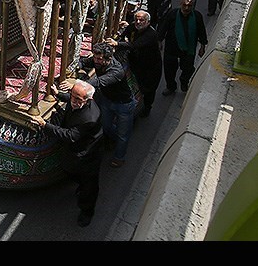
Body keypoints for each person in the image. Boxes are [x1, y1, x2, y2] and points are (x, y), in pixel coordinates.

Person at [31, 79, 103, 227]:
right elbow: (71, 99)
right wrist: (59, 94)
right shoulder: (77, 101)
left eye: (78, 98)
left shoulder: (89, 117)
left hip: (87, 156)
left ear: (88, 99)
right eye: (72, 96)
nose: (73, 100)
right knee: (72, 171)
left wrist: (45, 125)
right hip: (75, 153)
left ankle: (87, 212)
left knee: (89, 187)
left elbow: (70, 135)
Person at [75, 41, 134, 169]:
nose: (96, 61)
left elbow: (98, 82)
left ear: (108, 58)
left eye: (99, 59)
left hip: (123, 105)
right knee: (106, 126)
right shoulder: (97, 61)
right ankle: (114, 140)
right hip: (108, 101)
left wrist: (77, 84)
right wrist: (79, 66)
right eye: (95, 57)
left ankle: (119, 157)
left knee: (123, 135)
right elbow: (84, 62)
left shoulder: (116, 71)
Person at [107, 11, 161, 118]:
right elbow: (125, 34)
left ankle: (146, 108)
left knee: (148, 89)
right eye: (136, 19)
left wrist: (117, 44)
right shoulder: (133, 27)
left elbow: (134, 45)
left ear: (148, 22)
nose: (138, 22)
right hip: (136, 64)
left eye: (141, 20)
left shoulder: (151, 34)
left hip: (150, 67)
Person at [159, 0, 208, 95]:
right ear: (180, 4)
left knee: (188, 68)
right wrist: (159, 42)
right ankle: (171, 87)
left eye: (189, 6)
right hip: (172, 47)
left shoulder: (197, 16)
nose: (186, 8)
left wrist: (202, 47)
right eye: (184, 5)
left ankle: (184, 82)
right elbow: (164, 28)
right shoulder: (172, 14)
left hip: (188, 49)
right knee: (169, 69)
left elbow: (202, 32)